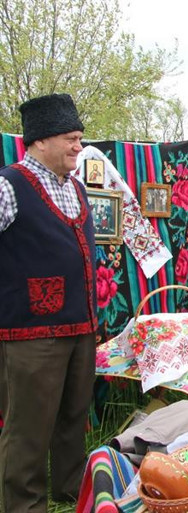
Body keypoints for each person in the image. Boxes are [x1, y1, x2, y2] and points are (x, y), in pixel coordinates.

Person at [0, 93, 96, 512]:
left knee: (74, 416)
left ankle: (70, 486)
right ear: (40, 140)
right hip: (31, 332)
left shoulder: (75, 187)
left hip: (79, 325)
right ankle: (24, 504)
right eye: (70, 138)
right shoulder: (10, 184)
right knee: (28, 427)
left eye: (79, 138)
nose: (79, 146)